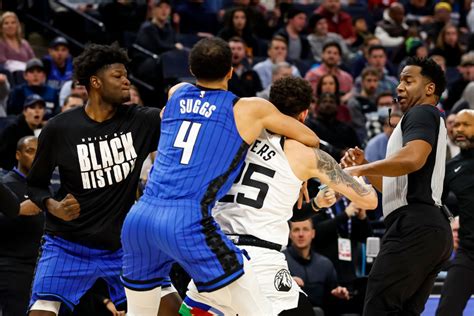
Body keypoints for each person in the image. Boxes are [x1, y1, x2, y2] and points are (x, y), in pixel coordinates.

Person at [120, 37, 319, 316]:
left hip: (140, 217)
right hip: (186, 219)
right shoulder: (247, 108)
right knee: (256, 308)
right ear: (231, 70)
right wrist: (300, 176)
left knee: (141, 312)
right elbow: (309, 136)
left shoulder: (176, 93)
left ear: (190, 68)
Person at [26, 43, 181, 316]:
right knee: (41, 312)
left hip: (125, 245)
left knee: (171, 309)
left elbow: (178, 116)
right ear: (95, 82)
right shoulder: (60, 128)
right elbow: (35, 184)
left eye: (126, 75)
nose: (126, 81)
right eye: (118, 76)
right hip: (67, 244)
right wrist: (53, 206)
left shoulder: (142, 121)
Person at [212, 76, 377, 315]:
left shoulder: (238, 134)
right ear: (305, 114)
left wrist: (317, 203)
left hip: (213, 248)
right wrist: (357, 170)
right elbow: (369, 201)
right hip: (258, 256)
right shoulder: (305, 154)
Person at [341, 57, 453, 315]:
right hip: (430, 228)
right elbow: (393, 188)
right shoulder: (425, 118)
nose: (399, 87)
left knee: (378, 307)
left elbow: (413, 159)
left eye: (408, 80)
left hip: (415, 224)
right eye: (400, 80)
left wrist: (360, 169)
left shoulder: (421, 112)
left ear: (429, 89)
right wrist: (368, 164)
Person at [436, 110, 474, 316]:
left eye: (465, 125)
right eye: (456, 125)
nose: (458, 129)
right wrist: (451, 221)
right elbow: (437, 203)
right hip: (468, 254)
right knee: (446, 311)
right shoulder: (451, 167)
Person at [0, 136, 43, 316]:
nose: (35, 157)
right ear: (18, 155)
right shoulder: (6, 184)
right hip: (12, 266)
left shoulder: (46, 185)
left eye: (38, 152)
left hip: (40, 267)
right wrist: (17, 211)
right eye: (30, 151)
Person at [284, 219, 351, 316]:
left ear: (313, 233)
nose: (301, 234)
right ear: (289, 234)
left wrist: (338, 294)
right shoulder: (281, 262)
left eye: (305, 229)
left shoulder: (325, 264)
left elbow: (331, 300)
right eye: (296, 230)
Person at [0, 94, 45, 171]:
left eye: (40, 108)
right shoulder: (12, 129)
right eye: (32, 107)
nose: (37, 111)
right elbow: (4, 157)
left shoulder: (42, 129)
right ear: (25, 111)